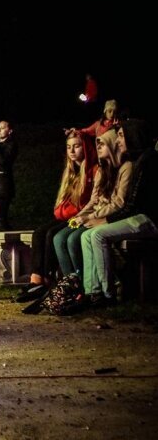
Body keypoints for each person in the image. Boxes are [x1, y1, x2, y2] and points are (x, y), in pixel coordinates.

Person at [80, 119, 157, 308]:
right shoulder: (139, 160)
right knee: (87, 235)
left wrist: (104, 220)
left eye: (122, 136)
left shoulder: (148, 161)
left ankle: (108, 295)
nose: (119, 140)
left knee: (98, 234)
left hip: (151, 220)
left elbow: (131, 205)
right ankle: (93, 292)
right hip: (138, 216)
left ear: (133, 137)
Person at [15, 131, 97, 304]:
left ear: (85, 148)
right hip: (66, 216)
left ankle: (53, 280)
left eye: (76, 146)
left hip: (81, 217)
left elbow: (90, 202)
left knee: (52, 235)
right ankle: (37, 279)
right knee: (39, 233)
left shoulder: (92, 170)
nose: (72, 151)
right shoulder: (70, 172)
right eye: (69, 147)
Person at [52, 129, 131, 283]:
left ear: (112, 145)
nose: (98, 147)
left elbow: (118, 202)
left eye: (102, 144)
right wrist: (80, 216)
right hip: (92, 215)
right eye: (98, 144)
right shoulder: (103, 169)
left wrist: (88, 216)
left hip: (103, 217)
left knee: (72, 239)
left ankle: (83, 282)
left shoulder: (124, 168)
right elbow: (94, 200)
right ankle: (70, 284)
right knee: (57, 237)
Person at [0, 120, 19, 230]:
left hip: (3, 185)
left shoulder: (12, 145)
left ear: (10, 131)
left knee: (1, 216)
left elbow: (2, 160)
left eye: (2, 128)